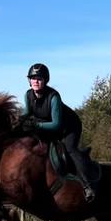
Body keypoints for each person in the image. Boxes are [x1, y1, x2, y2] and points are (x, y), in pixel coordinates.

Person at [21, 63, 95, 202]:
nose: (36, 81)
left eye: (40, 78)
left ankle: (87, 185)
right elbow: (25, 115)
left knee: (69, 149)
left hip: (69, 127)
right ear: (29, 80)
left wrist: (35, 125)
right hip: (46, 125)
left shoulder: (54, 97)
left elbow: (56, 125)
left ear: (45, 80)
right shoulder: (28, 95)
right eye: (33, 78)